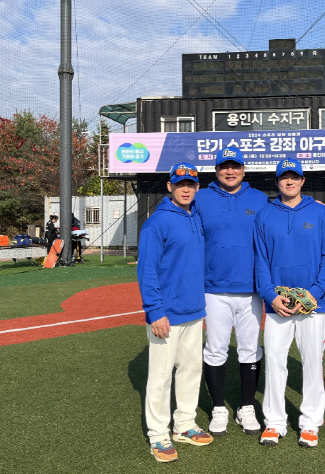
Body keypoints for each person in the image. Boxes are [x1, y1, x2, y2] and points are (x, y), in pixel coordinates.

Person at [253, 158, 325, 448]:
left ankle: (310, 423)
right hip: (278, 305)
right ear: (277, 182)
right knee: (275, 362)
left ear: (302, 181)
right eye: (284, 178)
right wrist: (269, 295)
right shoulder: (264, 215)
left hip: (314, 305)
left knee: (312, 363)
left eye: (294, 177)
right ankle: (274, 422)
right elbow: (260, 260)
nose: (289, 182)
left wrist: (315, 292)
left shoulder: (320, 213)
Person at [136, 162, 214, 463]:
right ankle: (158, 434)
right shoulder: (157, 222)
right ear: (170, 186)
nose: (185, 188)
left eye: (191, 184)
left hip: (194, 309)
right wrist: (155, 311)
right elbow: (147, 271)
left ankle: (184, 424)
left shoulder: (195, 216)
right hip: (167, 313)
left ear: (197, 188)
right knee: (160, 376)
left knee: (192, 370)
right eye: (180, 183)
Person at [195, 148, 269, 436]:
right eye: (224, 167)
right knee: (215, 349)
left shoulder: (259, 199)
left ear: (243, 170)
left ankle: (246, 406)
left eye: (235, 167)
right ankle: (218, 408)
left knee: (251, 349)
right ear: (216, 171)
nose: (230, 172)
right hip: (214, 289)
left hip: (251, 290)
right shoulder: (201, 198)